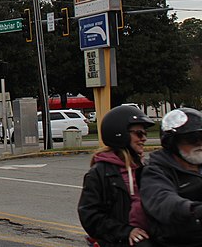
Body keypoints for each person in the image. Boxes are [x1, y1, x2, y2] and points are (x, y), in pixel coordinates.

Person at [78, 105, 155, 246]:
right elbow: (90, 215)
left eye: (145, 134)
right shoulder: (100, 173)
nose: (143, 139)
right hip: (119, 241)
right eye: (138, 134)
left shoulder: (146, 167)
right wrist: (126, 231)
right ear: (120, 133)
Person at [140, 107, 202, 246]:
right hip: (178, 240)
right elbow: (161, 199)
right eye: (192, 139)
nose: (199, 143)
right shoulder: (156, 171)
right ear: (172, 142)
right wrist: (192, 210)